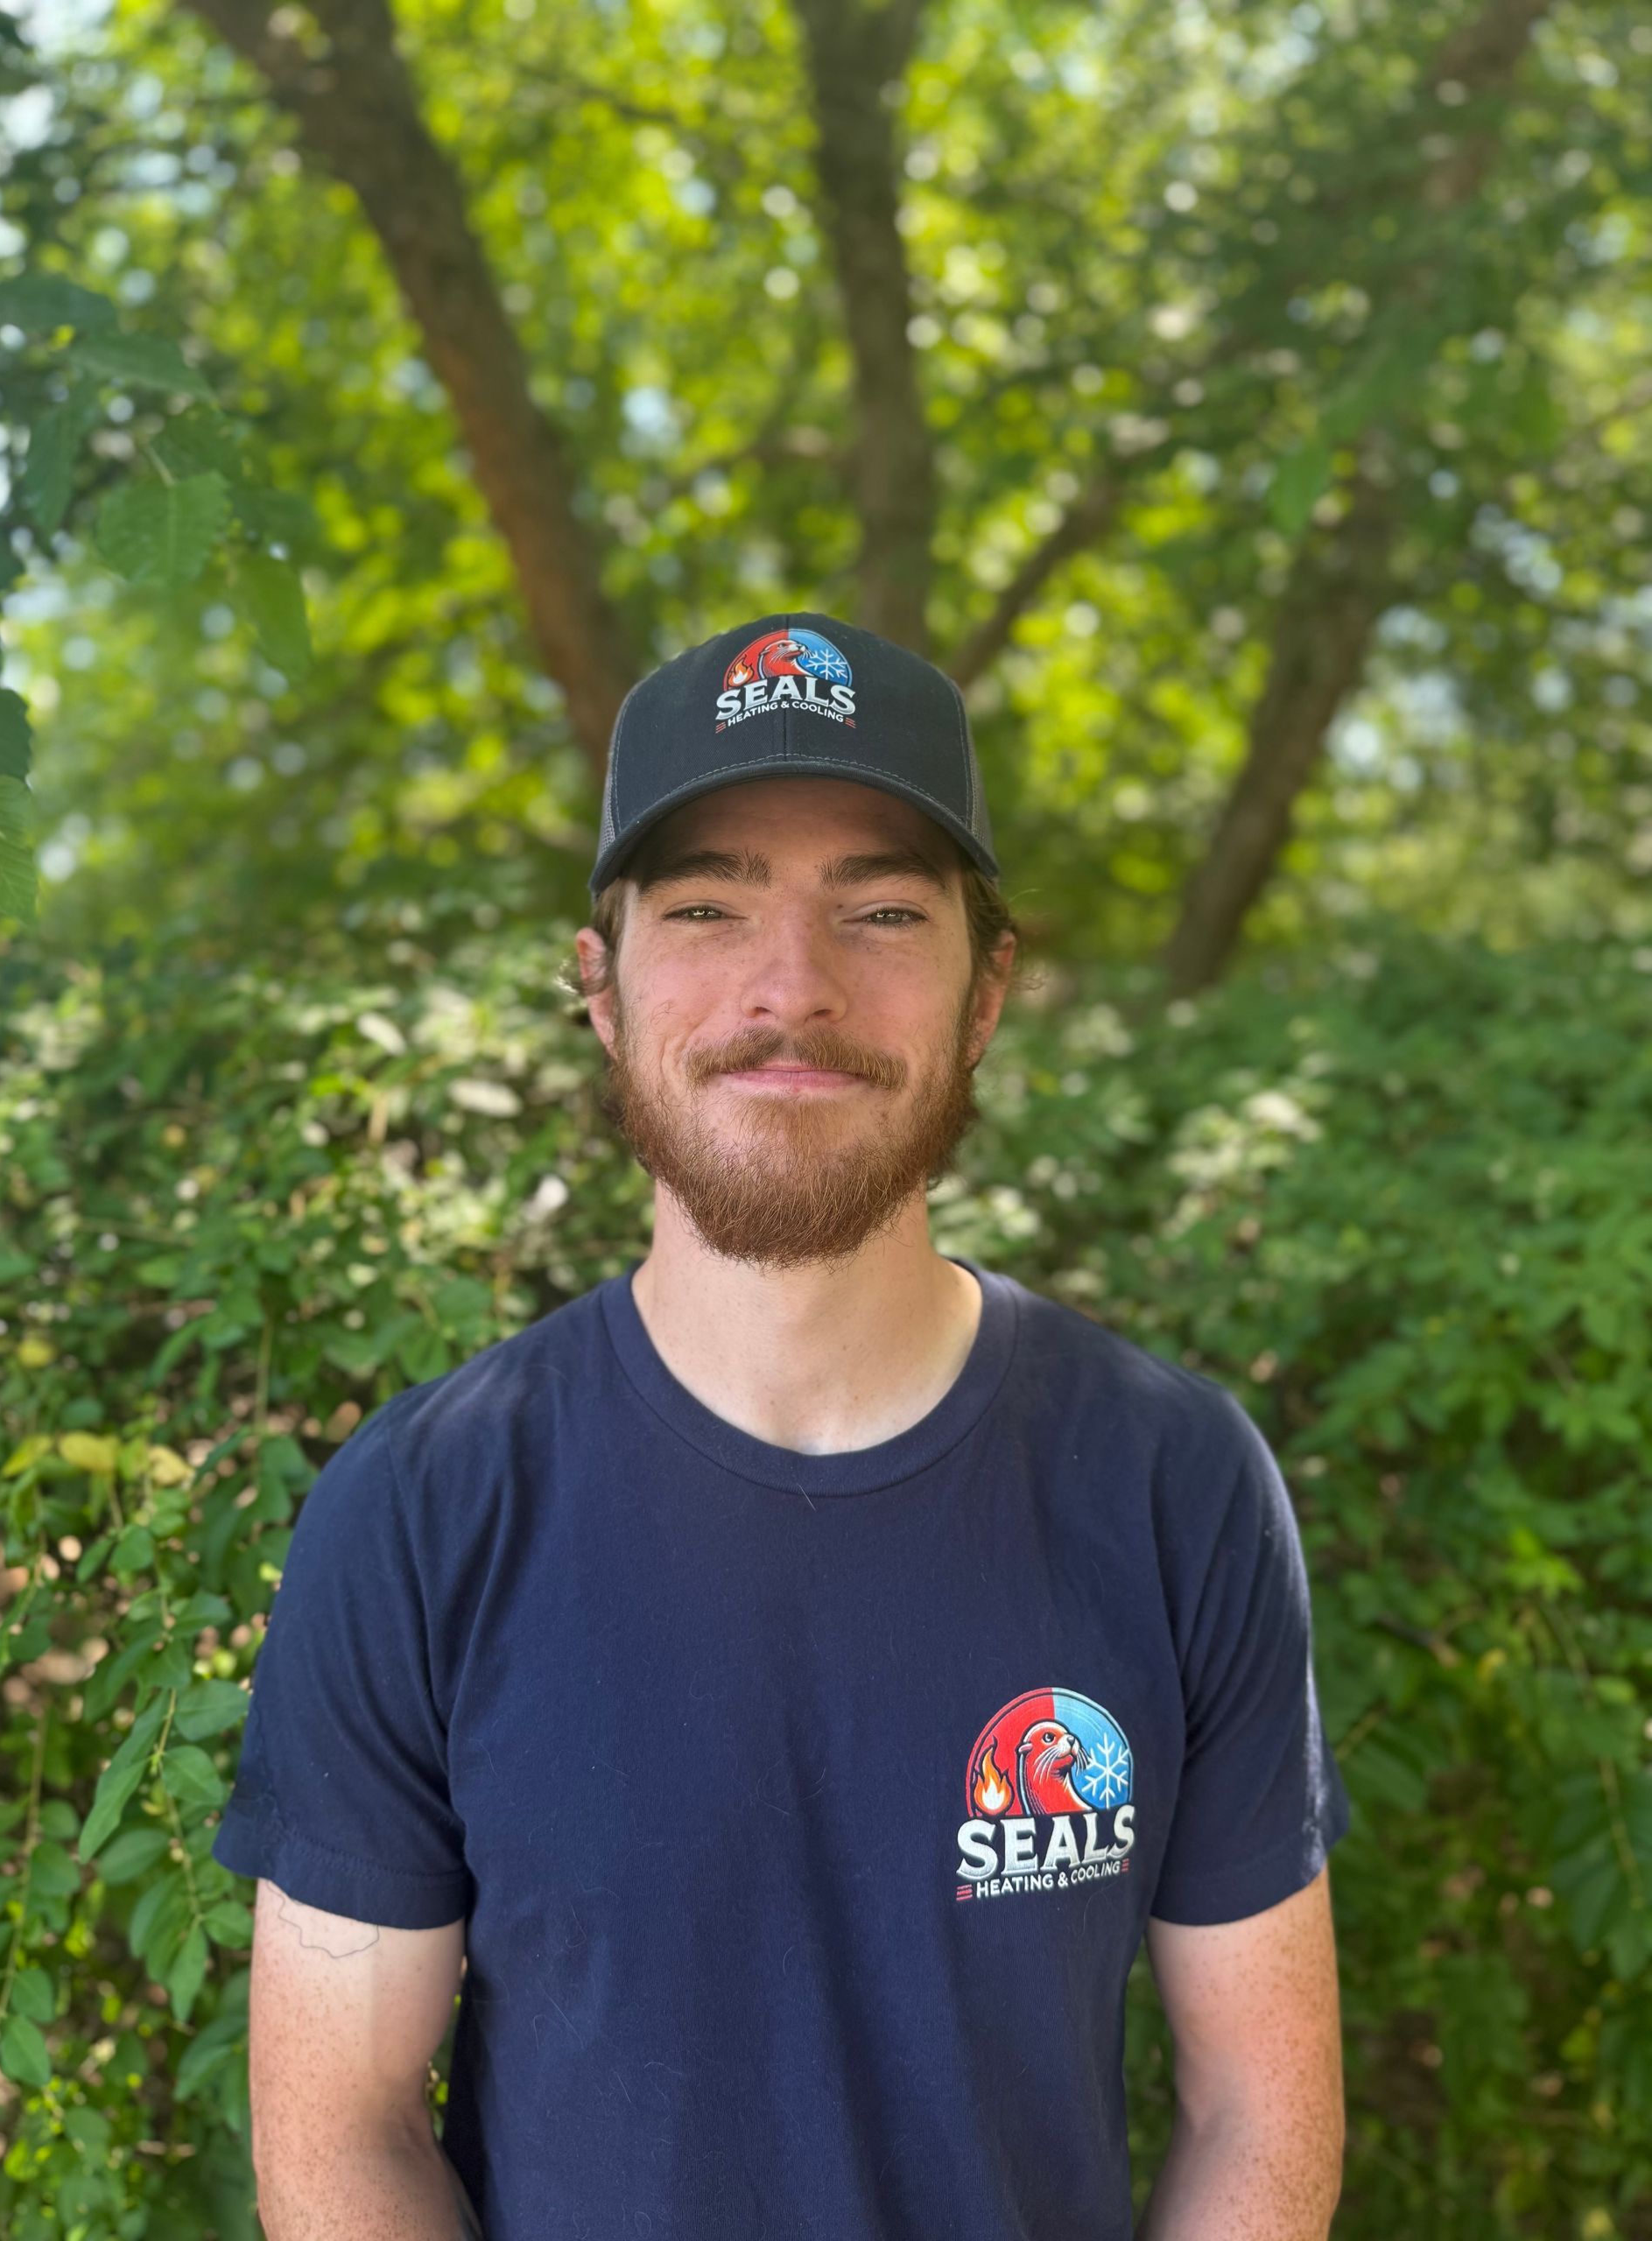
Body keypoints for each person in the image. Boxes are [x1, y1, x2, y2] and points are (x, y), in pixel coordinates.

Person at [212, 612, 1353, 2241]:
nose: (791, 986)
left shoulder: (1173, 1483)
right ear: (600, 989)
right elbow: (342, 2140)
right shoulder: (423, 1509)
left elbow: (1261, 2112)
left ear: (987, 993)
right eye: (705, 908)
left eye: (881, 910)